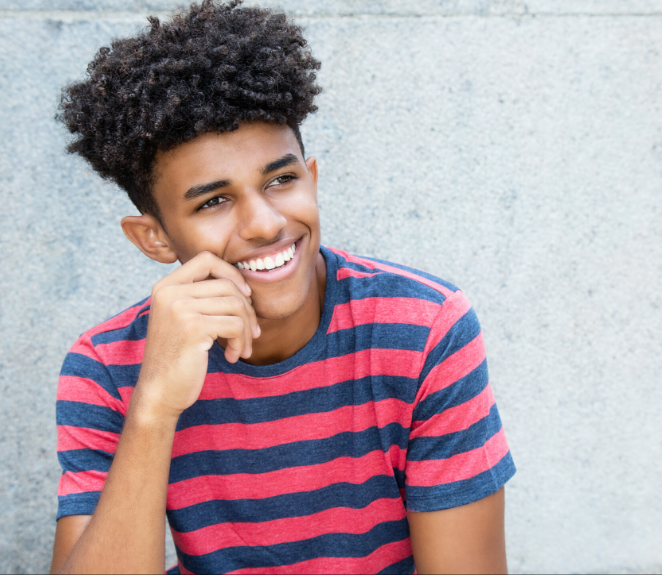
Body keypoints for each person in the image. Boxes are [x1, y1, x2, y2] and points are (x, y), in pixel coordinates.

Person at [50, 1, 516, 573]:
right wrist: (153, 408)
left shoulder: (423, 330)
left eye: (281, 179)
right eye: (214, 201)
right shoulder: (106, 366)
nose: (266, 223)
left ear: (312, 178)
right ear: (154, 238)